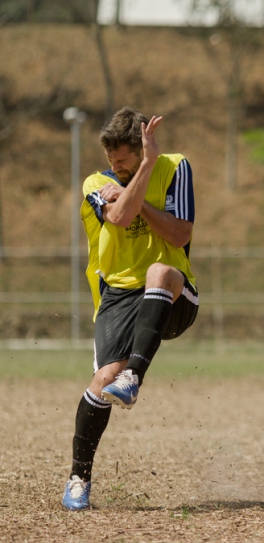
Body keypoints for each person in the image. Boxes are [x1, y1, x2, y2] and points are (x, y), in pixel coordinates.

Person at [62, 107, 199, 511]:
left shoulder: (175, 167)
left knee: (160, 270)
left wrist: (150, 167)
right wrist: (131, 191)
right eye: (111, 160)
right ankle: (78, 480)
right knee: (103, 381)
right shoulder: (96, 182)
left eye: (124, 160)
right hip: (118, 294)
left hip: (173, 291)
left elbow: (180, 231)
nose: (115, 168)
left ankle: (135, 375)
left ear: (142, 150)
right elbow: (119, 217)